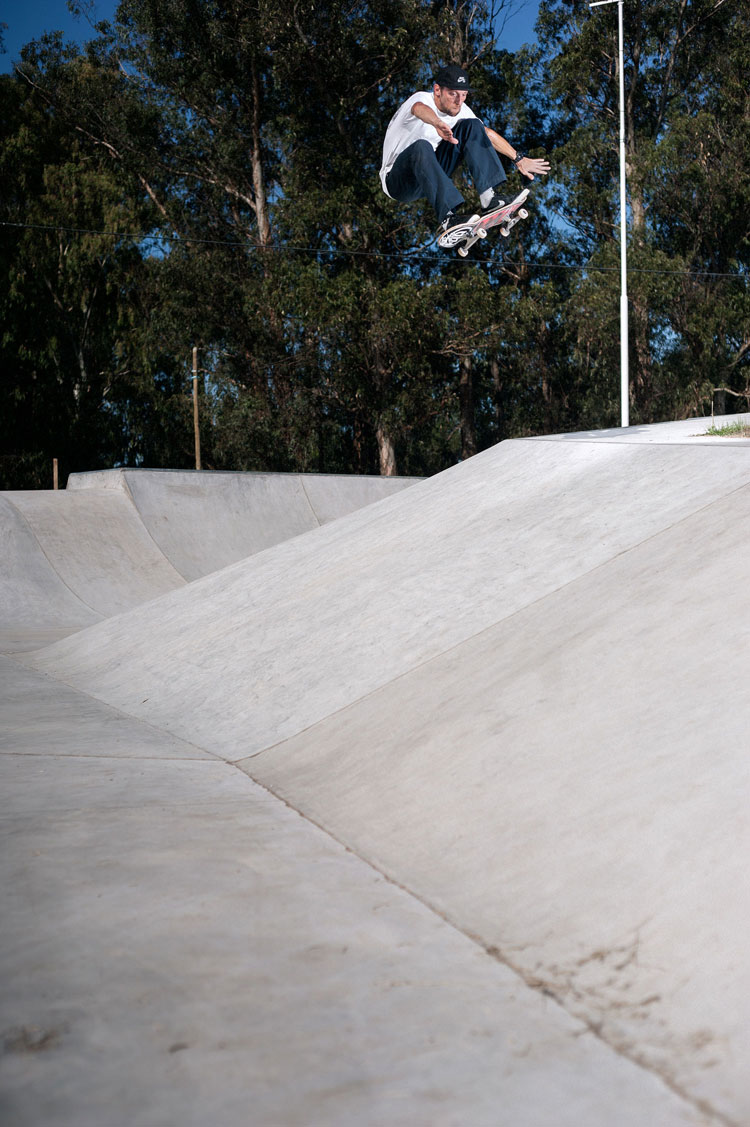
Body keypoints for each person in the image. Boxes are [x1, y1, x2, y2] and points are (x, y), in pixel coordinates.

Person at [379, 64, 550, 240]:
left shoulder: (461, 109)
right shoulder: (422, 99)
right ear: (437, 90)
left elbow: (487, 134)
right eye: (452, 94)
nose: (458, 101)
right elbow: (418, 109)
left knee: (474, 126)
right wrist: (437, 123)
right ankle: (448, 219)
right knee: (422, 146)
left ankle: (489, 199)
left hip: (430, 175)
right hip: (398, 181)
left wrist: (518, 159)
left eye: (463, 95)